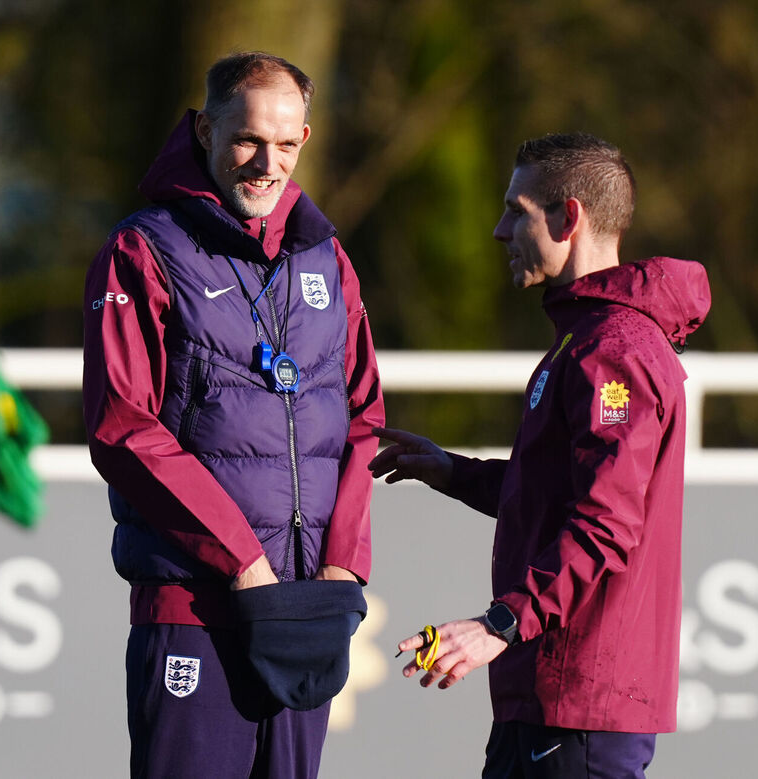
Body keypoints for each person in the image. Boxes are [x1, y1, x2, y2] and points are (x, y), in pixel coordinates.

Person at [370, 133, 711, 778]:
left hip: (580, 702)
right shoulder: (583, 340)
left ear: (568, 217)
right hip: (549, 695)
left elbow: (606, 524)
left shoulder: (615, 350)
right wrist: (450, 471)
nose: (500, 231)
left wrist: (499, 623)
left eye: (515, 210)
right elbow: (560, 496)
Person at [83, 52, 384, 778]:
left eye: (285, 144)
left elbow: (365, 416)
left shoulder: (328, 258)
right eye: (248, 140)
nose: (267, 164)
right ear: (204, 129)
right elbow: (123, 427)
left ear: (305, 140)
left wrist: (343, 566)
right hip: (195, 605)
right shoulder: (143, 248)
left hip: (304, 608)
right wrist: (242, 560)